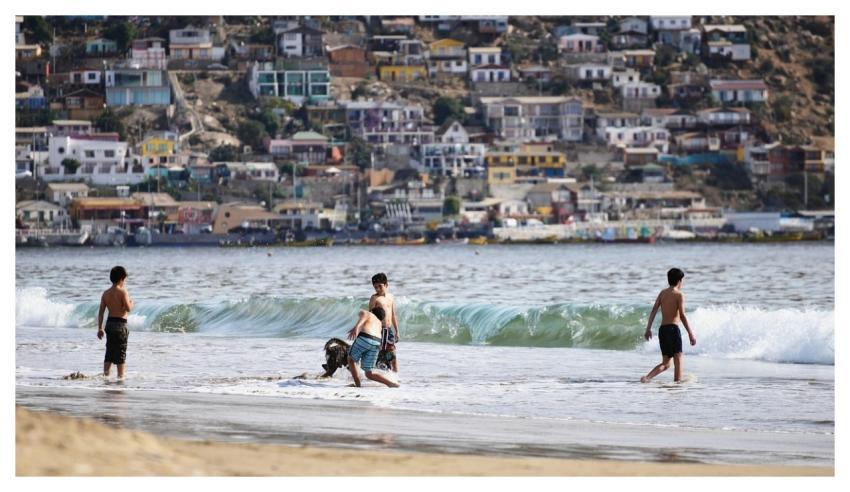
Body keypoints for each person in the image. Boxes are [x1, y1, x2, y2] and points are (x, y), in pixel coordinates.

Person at [640, 268, 696, 383]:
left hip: (663, 330)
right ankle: (677, 383)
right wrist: (690, 333)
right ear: (679, 281)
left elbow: (654, 311)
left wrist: (648, 329)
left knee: (666, 363)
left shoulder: (662, 293)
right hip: (673, 329)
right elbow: (682, 315)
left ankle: (647, 378)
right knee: (678, 358)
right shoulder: (679, 295)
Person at [346, 306, 399, 388]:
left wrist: (356, 327)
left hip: (365, 337)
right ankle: (391, 384)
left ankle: (357, 385)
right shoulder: (379, 323)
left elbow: (363, 317)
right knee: (369, 373)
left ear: (372, 311)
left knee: (351, 359)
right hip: (377, 342)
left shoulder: (368, 313)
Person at [97, 266, 134, 379]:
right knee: (121, 352)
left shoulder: (106, 293)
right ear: (122, 279)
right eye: (125, 280)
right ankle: (120, 377)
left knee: (110, 350)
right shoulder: (123, 291)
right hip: (121, 325)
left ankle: (106, 375)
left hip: (110, 324)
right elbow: (128, 309)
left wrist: (100, 328)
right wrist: (131, 302)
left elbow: (101, 313)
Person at [369, 272, 400, 372]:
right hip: (379, 331)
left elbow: (393, 315)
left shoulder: (391, 297)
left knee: (392, 355)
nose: (377, 289)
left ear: (386, 285)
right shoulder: (374, 298)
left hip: (389, 331)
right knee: (379, 356)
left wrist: (397, 331)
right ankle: (377, 376)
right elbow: (370, 316)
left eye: (380, 286)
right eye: (375, 287)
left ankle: (396, 377)